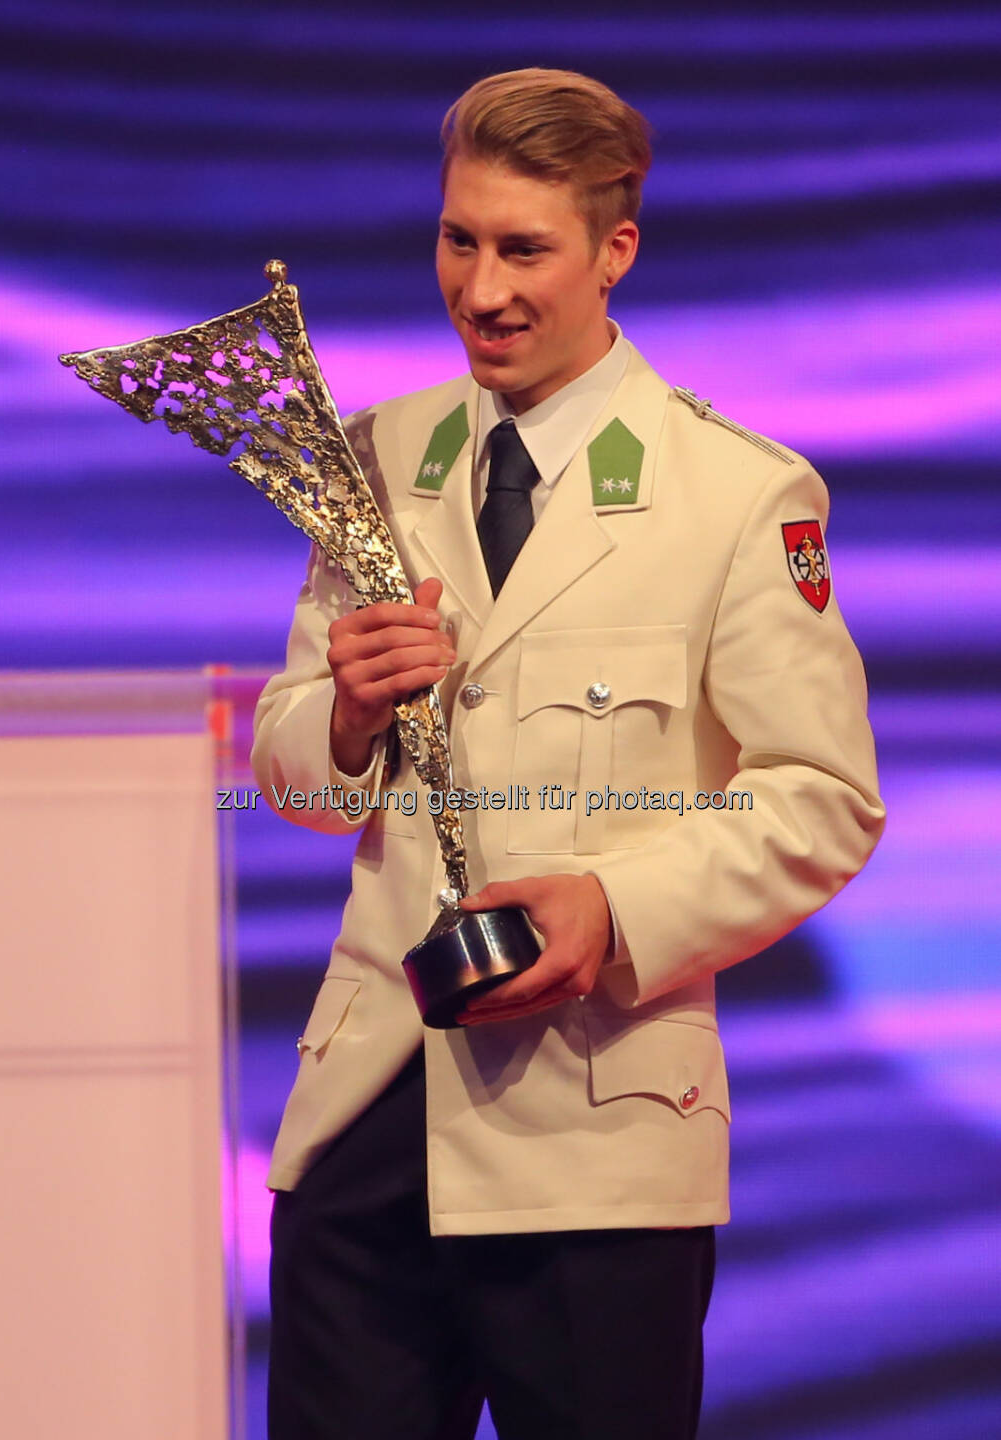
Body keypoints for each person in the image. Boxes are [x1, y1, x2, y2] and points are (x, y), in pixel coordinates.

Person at [251, 67, 885, 1440]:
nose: (481, 289)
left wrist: (612, 909)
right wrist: (346, 715)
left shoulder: (737, 494)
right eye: (458, 240)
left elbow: (821, 802)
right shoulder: (373, 454)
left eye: (523, 250)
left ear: (615, 252)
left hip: (595, 1145)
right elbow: (294, 781)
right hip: (365, 1120)